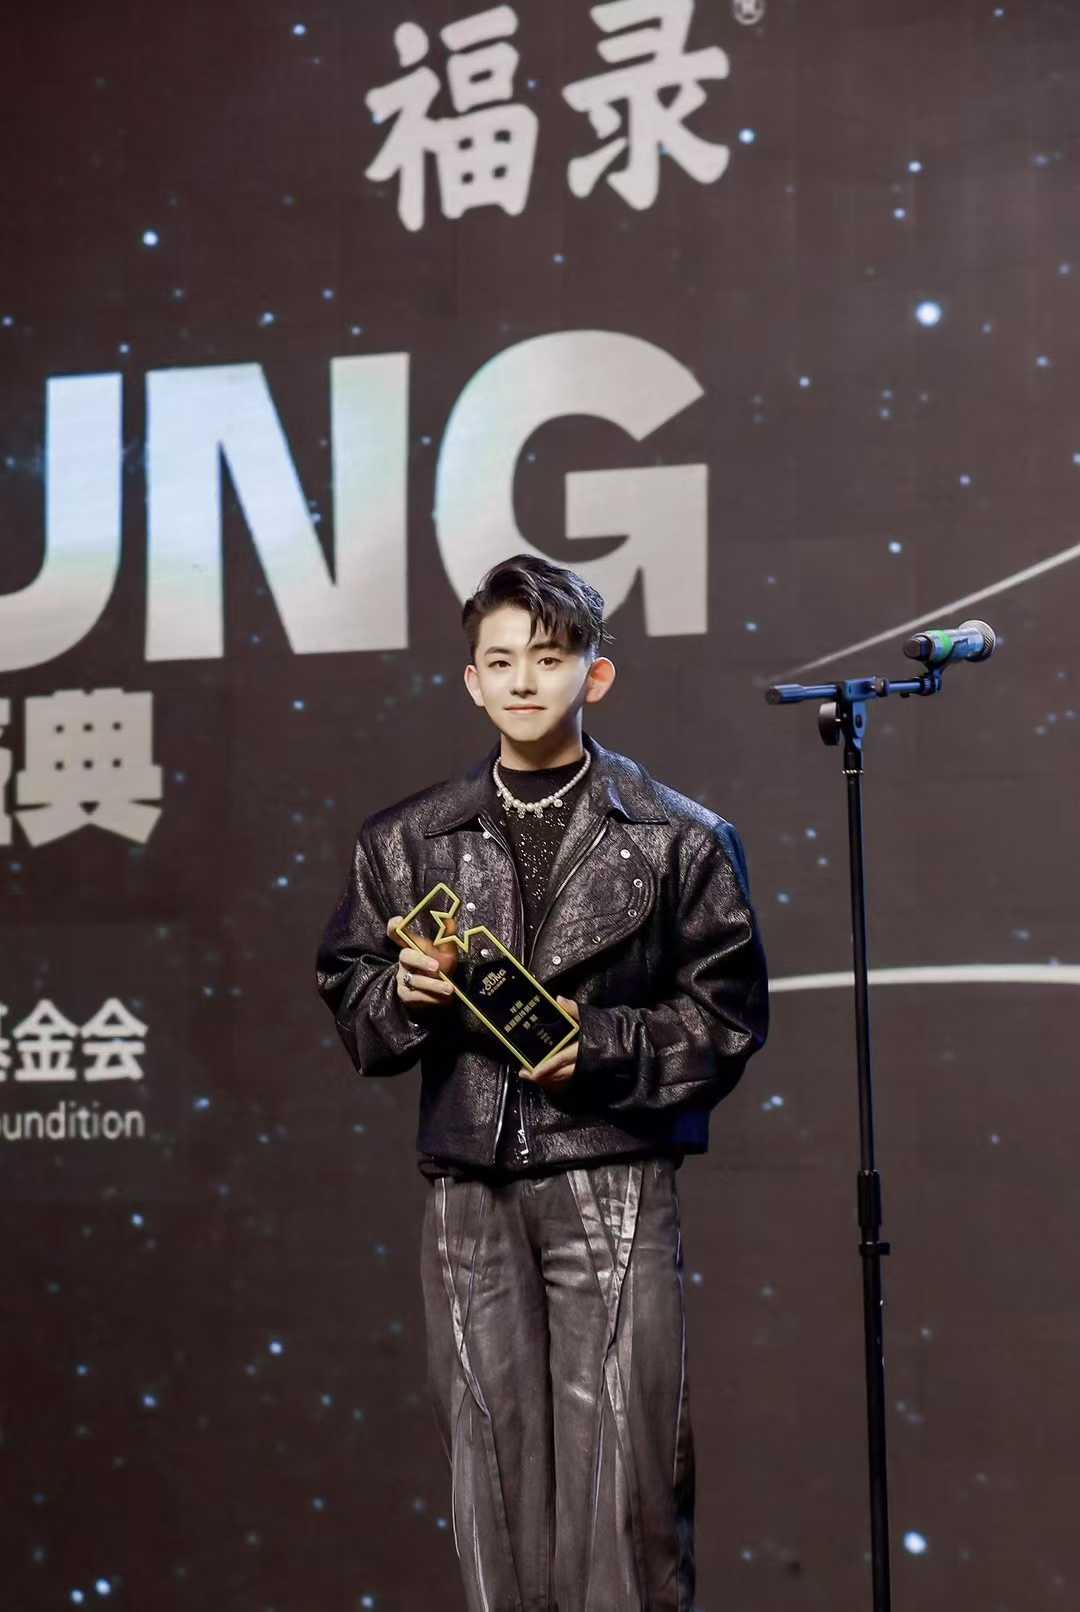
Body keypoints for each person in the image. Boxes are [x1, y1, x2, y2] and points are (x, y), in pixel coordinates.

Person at [315, 553, 769, 1612]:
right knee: (489, 1471)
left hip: (610, 1171)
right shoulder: (405, 840)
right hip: (467, 1183)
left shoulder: (680, 836)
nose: (526, 679)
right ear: (472, 680)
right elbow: (352, 995)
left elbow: (728, 1019)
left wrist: (597, 1044)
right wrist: (406, 994)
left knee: (628, 1479)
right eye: (503, 660)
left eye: (551, 658)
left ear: (594, 674)